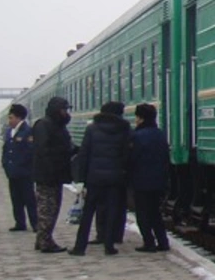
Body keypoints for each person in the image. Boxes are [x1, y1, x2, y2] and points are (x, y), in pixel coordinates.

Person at [70, 101, 131, 256]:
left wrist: (80, 179)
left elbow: (84, 155)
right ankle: (109, 246)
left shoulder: (92, 129)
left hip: (94, 178)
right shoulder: (123, 129)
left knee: (88, 212)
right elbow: (126, 155)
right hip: (114, 178)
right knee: (111, 211)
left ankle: (79, 247)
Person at [32, 97, 74, 253]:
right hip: (47, 175)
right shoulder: (44, 124)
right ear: (57, 110)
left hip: (55, 174)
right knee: (47, 209)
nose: (66, 113)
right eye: (64, 109)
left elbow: (65, 146)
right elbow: (43, 150)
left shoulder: (57, 125)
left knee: (52, 208)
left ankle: (42, 239)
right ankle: (45, 242)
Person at [128, 103, 170, 253]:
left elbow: (132, 158)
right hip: (158, 180)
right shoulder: (160, 134)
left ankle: (149, 242)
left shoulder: (136, 136)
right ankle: (163, 242)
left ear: (140, 118)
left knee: (143, 214)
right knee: (155, 213)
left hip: (141, 181)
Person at [1, 104, 38, 232]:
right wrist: (6, 165)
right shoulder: (9, 132)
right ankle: (20, 222)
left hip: (25, 172)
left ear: (19, 118)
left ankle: (35, 223)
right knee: (16, 199)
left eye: (11, 118)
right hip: (13, 172)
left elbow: (30, 152)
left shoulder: (27, 131)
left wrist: (23, 166)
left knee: (29, 199)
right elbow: (6, 150)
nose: (9, 120)